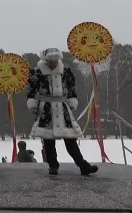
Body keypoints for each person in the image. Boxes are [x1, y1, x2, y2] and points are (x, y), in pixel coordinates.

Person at [26, 48, 98, 176]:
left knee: (71, 139)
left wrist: (72, 100)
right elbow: (31, 89)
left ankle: (83, 166)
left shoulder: (66, 71)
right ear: (46, 60)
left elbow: (71, 87)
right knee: (48, 141)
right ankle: (53, 166)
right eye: (50, 60)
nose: (53, 63)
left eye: (55, 60)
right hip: (46, 109)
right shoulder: (37, 72)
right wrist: (33, 103)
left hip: (63, 108)